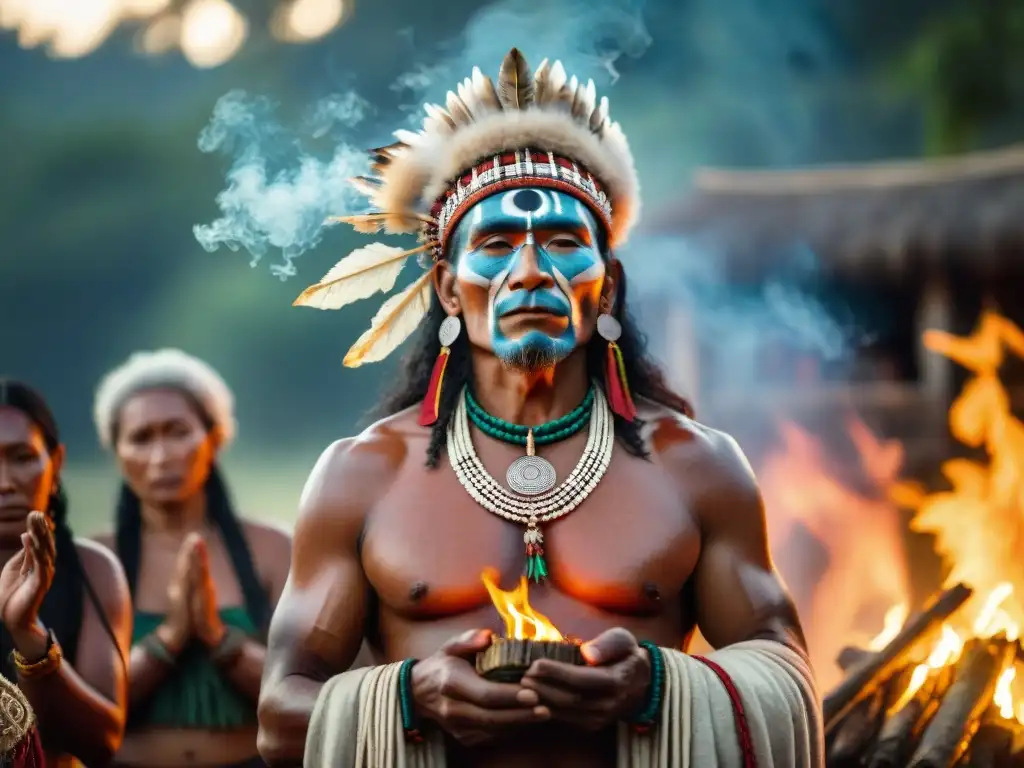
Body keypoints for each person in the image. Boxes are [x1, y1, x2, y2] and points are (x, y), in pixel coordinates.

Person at [258, 49, 823, 767]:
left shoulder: (697, 467)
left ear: (607, 287)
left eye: (563, 244)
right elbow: (279, 719)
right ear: (446, 287)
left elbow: (789, 678)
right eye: (496, 245)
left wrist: (657, 688)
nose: (530, 273)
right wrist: (411, 698)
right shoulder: (360, 475)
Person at [90, 350, 291, 768]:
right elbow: (83, 711)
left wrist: (218, 638)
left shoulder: (274, 550)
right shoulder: (96, 562)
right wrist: (172, 638)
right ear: (117, 452)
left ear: (215, 437)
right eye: (141, 438)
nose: (161, 456)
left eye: (178, 431)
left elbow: (309, 696)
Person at [0, 379, 132, 767]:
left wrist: (28, 631)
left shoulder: (93, 570)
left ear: (55, 463)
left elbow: (102, 741)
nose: (5, 483)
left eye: (22, 457)